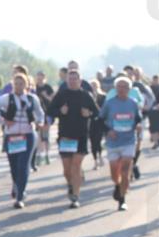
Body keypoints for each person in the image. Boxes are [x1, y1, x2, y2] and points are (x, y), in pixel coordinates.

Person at [0, 73, 45, 208]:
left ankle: (20, 195)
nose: (18, 86)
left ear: (26, 85)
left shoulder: (32, 99)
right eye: (16, 84)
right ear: (13, 85)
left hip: (28, 135)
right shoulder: (7, 98)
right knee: (14, 166)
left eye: (21, 83)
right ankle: (16, 185)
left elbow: (40, 113)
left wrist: (40, 122)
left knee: (23, 165)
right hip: (12, 137)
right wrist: (3, 121)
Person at [47, 69, 99, 208]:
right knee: (66, 170)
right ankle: (70, 184)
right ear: (67, 81)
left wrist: (89, 113)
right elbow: (50, 110)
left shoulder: (86, 95)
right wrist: (60, 112)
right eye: (70, 79)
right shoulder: (61, 94)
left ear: (80, 81)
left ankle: (75, 197)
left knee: (76, 166)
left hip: (81, 135)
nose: (72, 81)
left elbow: (97, 113)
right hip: (65, 136)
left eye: (75, 79)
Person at [98, 77, 143, 210]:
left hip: (129, 140)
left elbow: (138, 119)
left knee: (125, 170)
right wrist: (108, 131)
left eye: (125, 87)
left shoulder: (133, 103)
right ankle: (117, 186)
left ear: (129, 89)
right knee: (114, 173)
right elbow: (100, 120)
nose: (122, 89)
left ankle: (122, 199)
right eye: (119, 86)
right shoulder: (109, 103)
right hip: (113, 142)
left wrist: (138, 125)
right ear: (115, 88)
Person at [34, 70, 55, 167]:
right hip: (37, 114)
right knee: (38, 135)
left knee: (46, 135)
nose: (39, 78)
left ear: (44, 77)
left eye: (41, 76)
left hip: (47, 113)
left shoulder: (48, 87)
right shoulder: (34, 87)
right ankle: (38, 156)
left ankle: (47, 155)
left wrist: (45, 96)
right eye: (38, 76)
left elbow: (53, 100)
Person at [88, 79, 108, 169]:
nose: (93, 87)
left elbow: (104, 110)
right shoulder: (88, 96)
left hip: (100, 121)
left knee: (98, 140)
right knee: (92, 142)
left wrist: (95, 104)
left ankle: (100, 156)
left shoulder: (103, 96)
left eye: (94, 85)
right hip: (91, 121)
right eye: (91, 86)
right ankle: (95, 160)